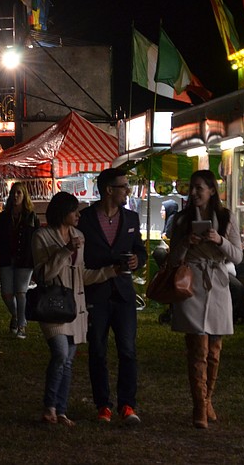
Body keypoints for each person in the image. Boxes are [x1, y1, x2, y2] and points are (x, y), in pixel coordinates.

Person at [167, 170, 243, 429]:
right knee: (197, 348)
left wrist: (219, 239)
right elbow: (172, 259)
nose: (195, 192)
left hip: (218, 285)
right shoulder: (181, 220)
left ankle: (208, 399)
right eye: (192, 188)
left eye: (200, 187)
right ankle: (199, 405)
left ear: (212, 190)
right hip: (191, 285)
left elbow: (237, 256)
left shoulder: (225, 218)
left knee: (214, 350)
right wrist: (187, 243)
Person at [77, 168, 146, 424]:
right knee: (98, 350)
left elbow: (139, 249)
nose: (128, 190)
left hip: (124, 293)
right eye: (124, 186)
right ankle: (102, 404)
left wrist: (138, 259)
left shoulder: (131, 219)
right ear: (108, 190)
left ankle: (127, 404)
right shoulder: (85, 219)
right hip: (97, 290)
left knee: (128, 350)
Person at [31, 191, 88, 426]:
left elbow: (82, 273)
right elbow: (44, 274)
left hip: (74, 306)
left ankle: (60, 410)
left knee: (68, 361)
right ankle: (49, 406)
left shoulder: (79, 236)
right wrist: (65, 250)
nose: (77, 215)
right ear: (62, 212)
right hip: (53, 304)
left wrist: (112, 271)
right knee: (61, 354)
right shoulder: (42, 237)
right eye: (74, 211)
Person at [0, 182, 39, 339]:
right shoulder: (4, 217)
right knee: (6, 294)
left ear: (24, 196)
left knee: (21, 291)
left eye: (19, 193)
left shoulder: (31, 216)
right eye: (14, 193)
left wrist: (37, 259)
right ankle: (17, 316)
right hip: (6, 257)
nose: (16, 196)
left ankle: (21, 325)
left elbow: (37, 239)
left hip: (25, 259)